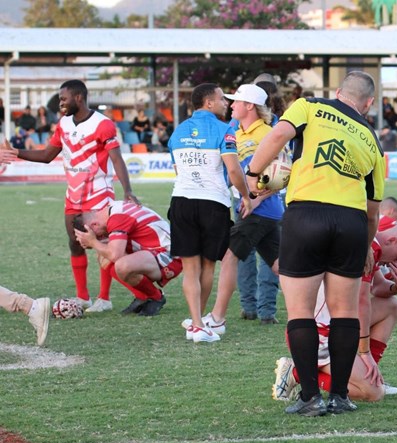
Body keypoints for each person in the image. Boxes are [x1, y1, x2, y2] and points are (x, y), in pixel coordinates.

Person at [245, 71, 385, 416]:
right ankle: (340, 397)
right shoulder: (372, 139)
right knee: (344, 314)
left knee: (301, 312)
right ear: (369, 103)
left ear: (337, 92)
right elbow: (373, 210)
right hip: (351, 223)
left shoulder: (309, 106)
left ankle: (309, 397)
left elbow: (279, 133)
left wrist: (252, 174)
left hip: (306, 214)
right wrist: (366, 245)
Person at [0, 80, 136, 314]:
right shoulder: (63, 124)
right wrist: (17, 152)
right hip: (73, 195)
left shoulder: (103, 125)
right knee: (74, 243)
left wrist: (127, 190)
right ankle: (83, 297)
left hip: (98, 194)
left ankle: (104, 298)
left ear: (79, 98)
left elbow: (116, 159)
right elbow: (46, 155)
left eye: (64, 99)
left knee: (102, 243)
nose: (61, 103)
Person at [273, 223, 397, 404]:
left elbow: (379, 286)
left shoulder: (371, 243)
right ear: (392, 240)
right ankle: (297, 373)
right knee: (374, 393)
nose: (394, 264)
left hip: (329, 323)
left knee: (392, 305)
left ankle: (369, 375)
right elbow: (361, 301)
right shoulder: (369, 247)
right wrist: (364, 352)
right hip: (319, 333)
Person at [168, 82, 252, 343]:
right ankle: (198, 322)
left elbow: (177, 171)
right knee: (207, 266)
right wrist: (247, 196)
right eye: (222, 99)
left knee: (190, 267)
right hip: (212, 203)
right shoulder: (224, 130)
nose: (227, 103)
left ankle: (195, 323)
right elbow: (235, 170)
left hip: (181, 200)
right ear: (208, 103)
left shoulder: (177, 132)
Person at [201, 83, 285, 336]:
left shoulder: (267, 133)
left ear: (250, 106)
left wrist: (256, 199)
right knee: (282, 266)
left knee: (230, 257)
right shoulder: (235, 132)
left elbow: (283, 173)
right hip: (258, 210)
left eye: (236, 101)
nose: (231, 105)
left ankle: (216, 318)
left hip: (260, 210)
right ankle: (316, 307)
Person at [73, 201, 182, 316]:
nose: (101, 237)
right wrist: (95, 242)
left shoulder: (118, 218)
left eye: (97, 234)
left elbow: (116, 255)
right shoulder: (110, 211)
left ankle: (156, 297)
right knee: (103, 256)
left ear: (94, 225)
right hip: (152, 250)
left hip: (170, 255)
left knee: (122, 265)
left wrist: (94, 242)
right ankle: (142, 297)